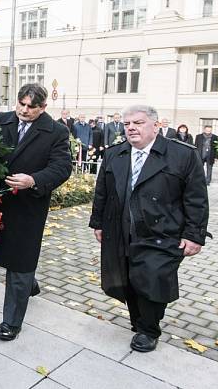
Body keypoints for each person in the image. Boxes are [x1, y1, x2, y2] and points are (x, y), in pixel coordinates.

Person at [89, 105, 209, 353]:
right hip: (122, 230)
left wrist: (194, 235)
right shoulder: (115, 154)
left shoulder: (181, 155)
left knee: (153, 279)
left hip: (162, 233)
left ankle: (149, 329)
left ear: (155, 126)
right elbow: (102, 191)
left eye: (138, 123)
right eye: (127, 124)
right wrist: (98, 223)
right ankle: (139, 322)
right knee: (128, 279)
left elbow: (196, 199)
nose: (131, 127)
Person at [0, 84, 72, 341]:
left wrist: (33, 180)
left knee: (20, 261)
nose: (24, 110)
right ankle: (30, 283)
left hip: (28, 206)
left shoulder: (56, 131)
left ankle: (11, 322)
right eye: (21, 104)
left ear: (43, 107)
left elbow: (62, 167)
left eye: (31, 107)